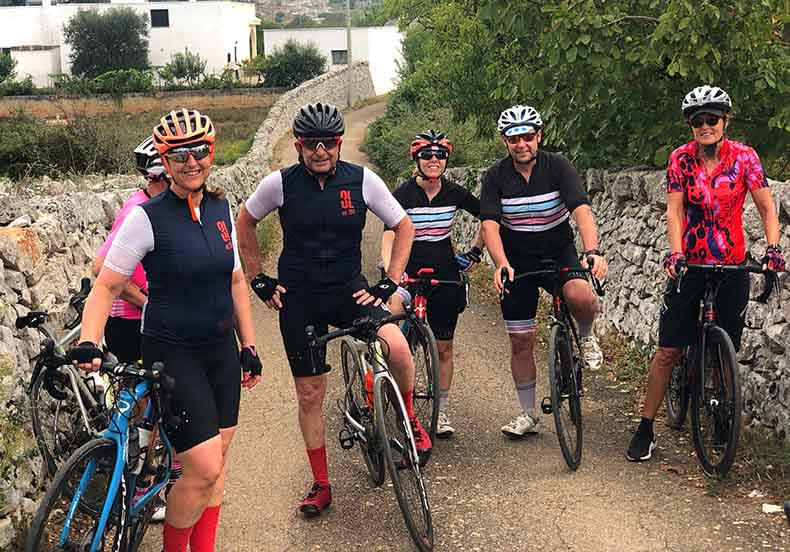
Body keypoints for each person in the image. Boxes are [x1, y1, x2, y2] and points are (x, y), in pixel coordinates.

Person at [70, 108, 263, 552]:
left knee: (217, 465)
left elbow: (234, 279)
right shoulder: (147, 216)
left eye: (199, 151)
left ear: (210, 153)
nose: (191, 162)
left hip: (220, 350)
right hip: (172, 353)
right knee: (203, 465)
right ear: (165, 161)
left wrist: (249, 344)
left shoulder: (221, 207)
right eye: (179, 155)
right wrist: (87, 341)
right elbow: (107, 284)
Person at [235, 102, 423, 518]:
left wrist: (390, 280)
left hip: (348, 292)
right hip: (300, 300)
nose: (320, 151)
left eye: (329, 143)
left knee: (397, 348)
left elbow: (403, 225)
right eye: (310, 144)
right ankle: (321, 483)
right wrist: (257, 276)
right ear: (299, 145)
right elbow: (244, 221)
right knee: (309, 392)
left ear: (339, 143)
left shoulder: (362, 180)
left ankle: (410, 421)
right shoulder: (280, 184)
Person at [626, 86, 784, 462]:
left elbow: (767, 208)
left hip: (731, 263)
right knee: (668, 350)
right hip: (690, 264)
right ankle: (646, 428)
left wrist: (773, 248)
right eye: (698, 121)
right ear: (691, 126)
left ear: (725, 122)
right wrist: (676, 252)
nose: (705, 126)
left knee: (725, 348)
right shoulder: (680, 159)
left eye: (712, 119)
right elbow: (674, 211)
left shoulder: (745, 157)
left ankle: (722, 420)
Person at [480, 104, 608, 438]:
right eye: (514, 138)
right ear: (505, 142)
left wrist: (591, 250)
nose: (521, 144)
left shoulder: (558, 166)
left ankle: (585, 335)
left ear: (539, 136)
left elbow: (581, 209)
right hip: (517, 261)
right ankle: (527, 414)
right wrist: (501, 263)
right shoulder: (494, 177)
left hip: (558, 252)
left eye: (527, 136)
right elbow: (490, 225)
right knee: (521, 341)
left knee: (581, 294)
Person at [382, 130, 483, 438]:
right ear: (417, 159)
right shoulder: (401, 194)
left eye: (440, 155)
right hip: (407, 269)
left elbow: (490, 218)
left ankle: (440, 412)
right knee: (392, 325)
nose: (434, 160)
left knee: (444, 347)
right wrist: (390, 271)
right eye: (427, 155)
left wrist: (476, 252)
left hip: (445, 271)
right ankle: (385, 385)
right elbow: (388, 234)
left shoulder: (455, 192)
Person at [92, 136, 168, 364]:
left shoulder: (160, 206)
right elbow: (100, 268)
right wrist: (147, 304)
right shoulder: (138, 209)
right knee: (142, 396)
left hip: (150, 319)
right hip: (131, 322)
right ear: (165, 174)